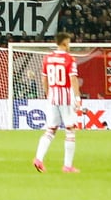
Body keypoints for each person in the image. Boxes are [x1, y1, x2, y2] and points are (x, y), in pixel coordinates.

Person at [32, 31, 81, 174]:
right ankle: (67, 166)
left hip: (52, 97)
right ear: (65, 43)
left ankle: (38, 159)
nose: (69, 45)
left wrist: (48, 94)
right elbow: (73, 79)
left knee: (50, 130)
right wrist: (77, 98)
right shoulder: (69, 59)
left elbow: (44, 79)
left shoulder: (48, 58)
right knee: (70, 131)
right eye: (69, 42)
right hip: (65, 97)